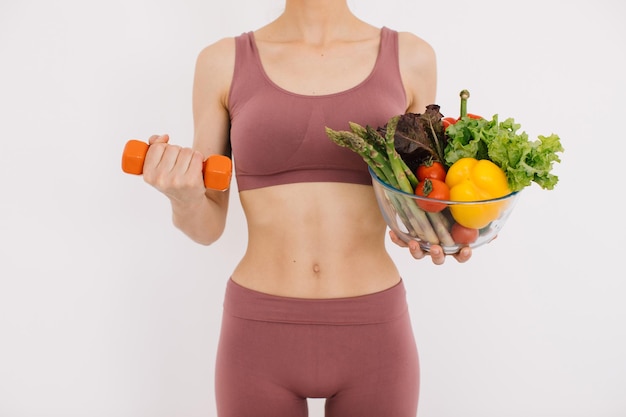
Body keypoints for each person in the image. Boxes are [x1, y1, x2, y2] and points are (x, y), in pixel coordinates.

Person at [140, 0, 472, 415]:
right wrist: (183, 196)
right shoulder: (221, 62)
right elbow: (207, 226)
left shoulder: (412, 57)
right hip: (259, 335)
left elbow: (422, 192)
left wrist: (442, 232)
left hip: (374, 335)